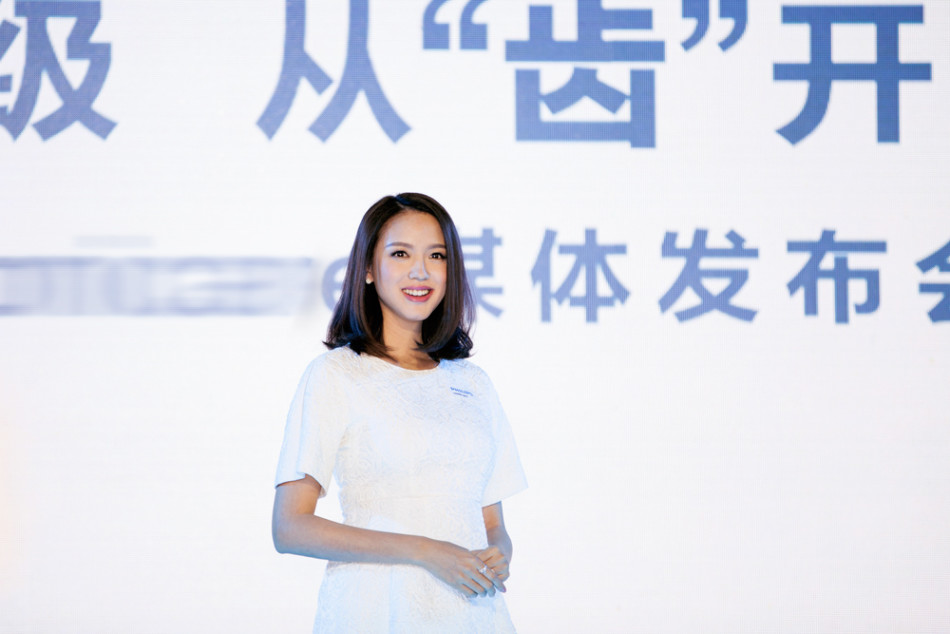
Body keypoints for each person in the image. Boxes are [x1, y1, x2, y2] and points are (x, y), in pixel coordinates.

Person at [272, 193, 528, 633]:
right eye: (401, 254)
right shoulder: (336, 374)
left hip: (470, 611)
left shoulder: (474, 383)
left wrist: (499, 553)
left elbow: (492, 524)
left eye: (436, 256)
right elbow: (290, 527)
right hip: (376, 608)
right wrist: (425, 551)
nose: (420, 271)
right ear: (368, 269)